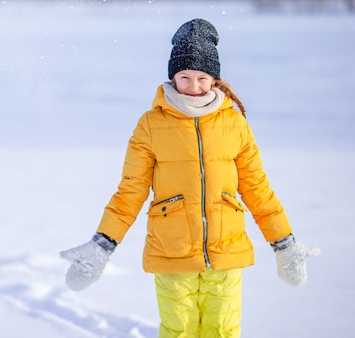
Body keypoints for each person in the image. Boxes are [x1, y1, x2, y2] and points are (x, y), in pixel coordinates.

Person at [59, 18, 320, 338]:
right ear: (172, 77)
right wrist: (102, 245)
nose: (193, 87)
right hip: (172, 252)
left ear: (214, 79)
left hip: (226, 253)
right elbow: (130, 191)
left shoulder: (234, 124)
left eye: (201, 78)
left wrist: (285, 244)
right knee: (177, 331)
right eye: (185, 77)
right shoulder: (150, 125)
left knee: (222, 331)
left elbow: (256, 188)